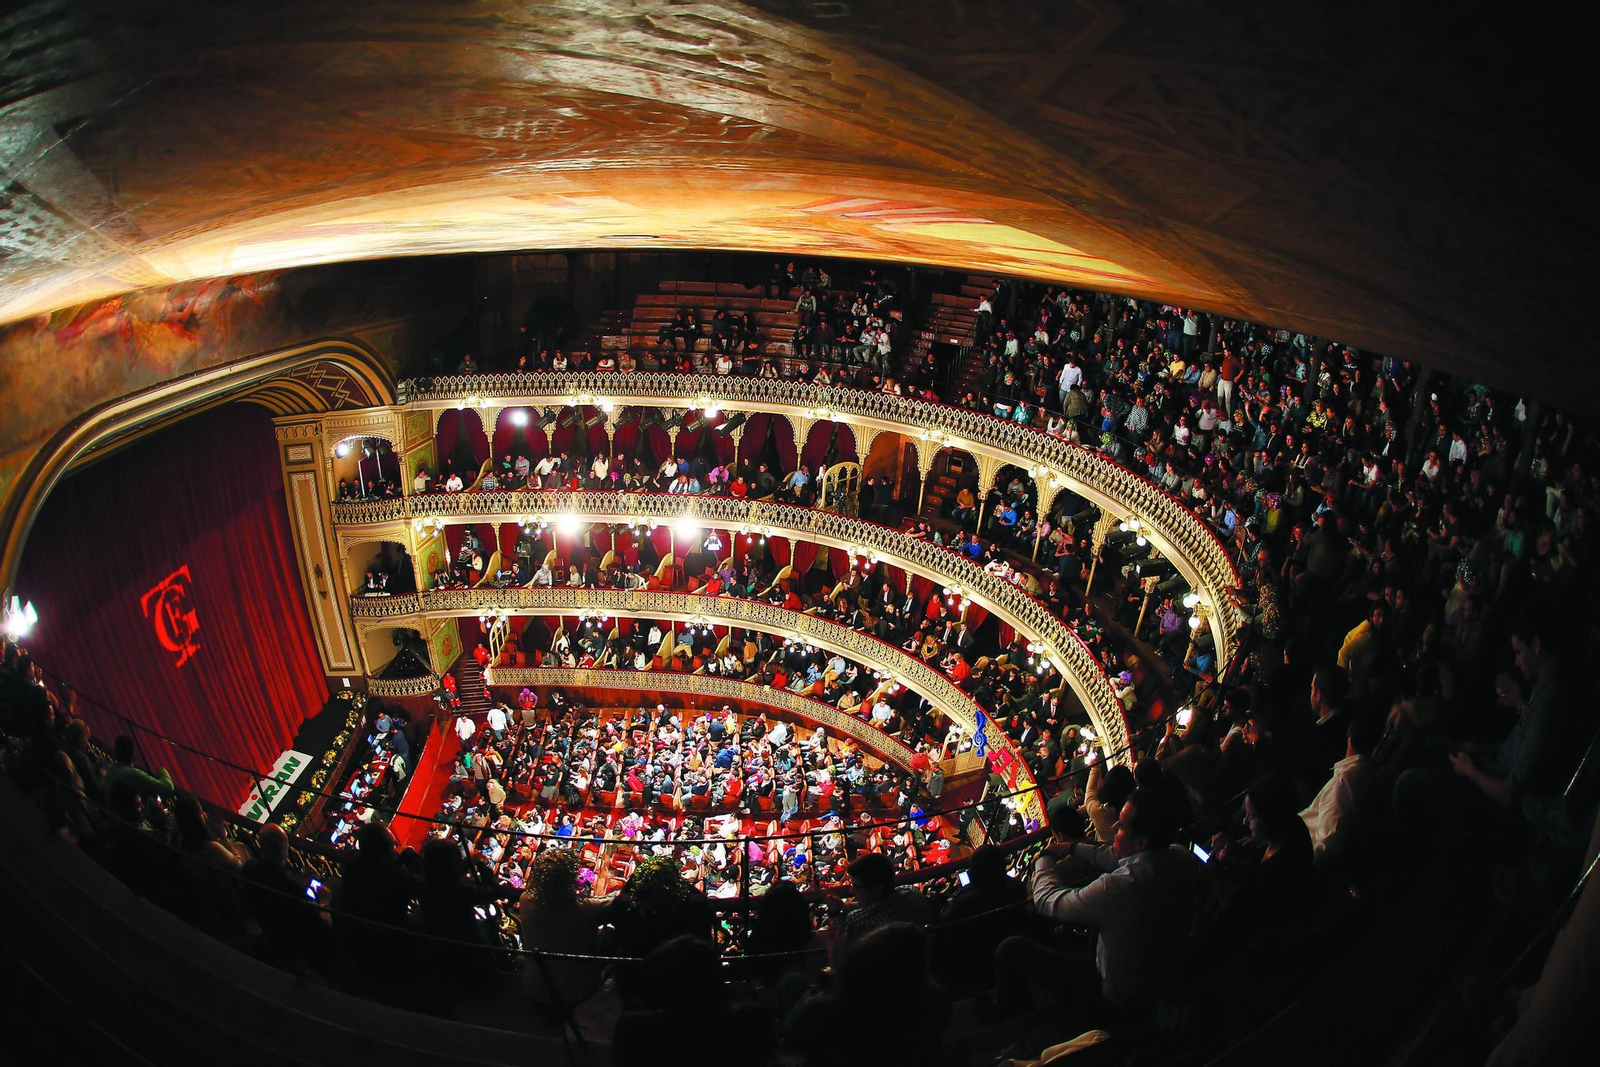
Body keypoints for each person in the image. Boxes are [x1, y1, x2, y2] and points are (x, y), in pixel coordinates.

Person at [994, 789, 1199, 1012]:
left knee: (1010, 948)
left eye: (1120, 826)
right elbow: (1117, 858)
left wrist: (1044, 859)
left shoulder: (1117, 887)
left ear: (1140, 841)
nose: (1113, 828)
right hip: (1160, 971)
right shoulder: (1180, 855)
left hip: (1117, 996)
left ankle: (1012, 1015)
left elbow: (1048, 901)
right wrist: (1072, 847)